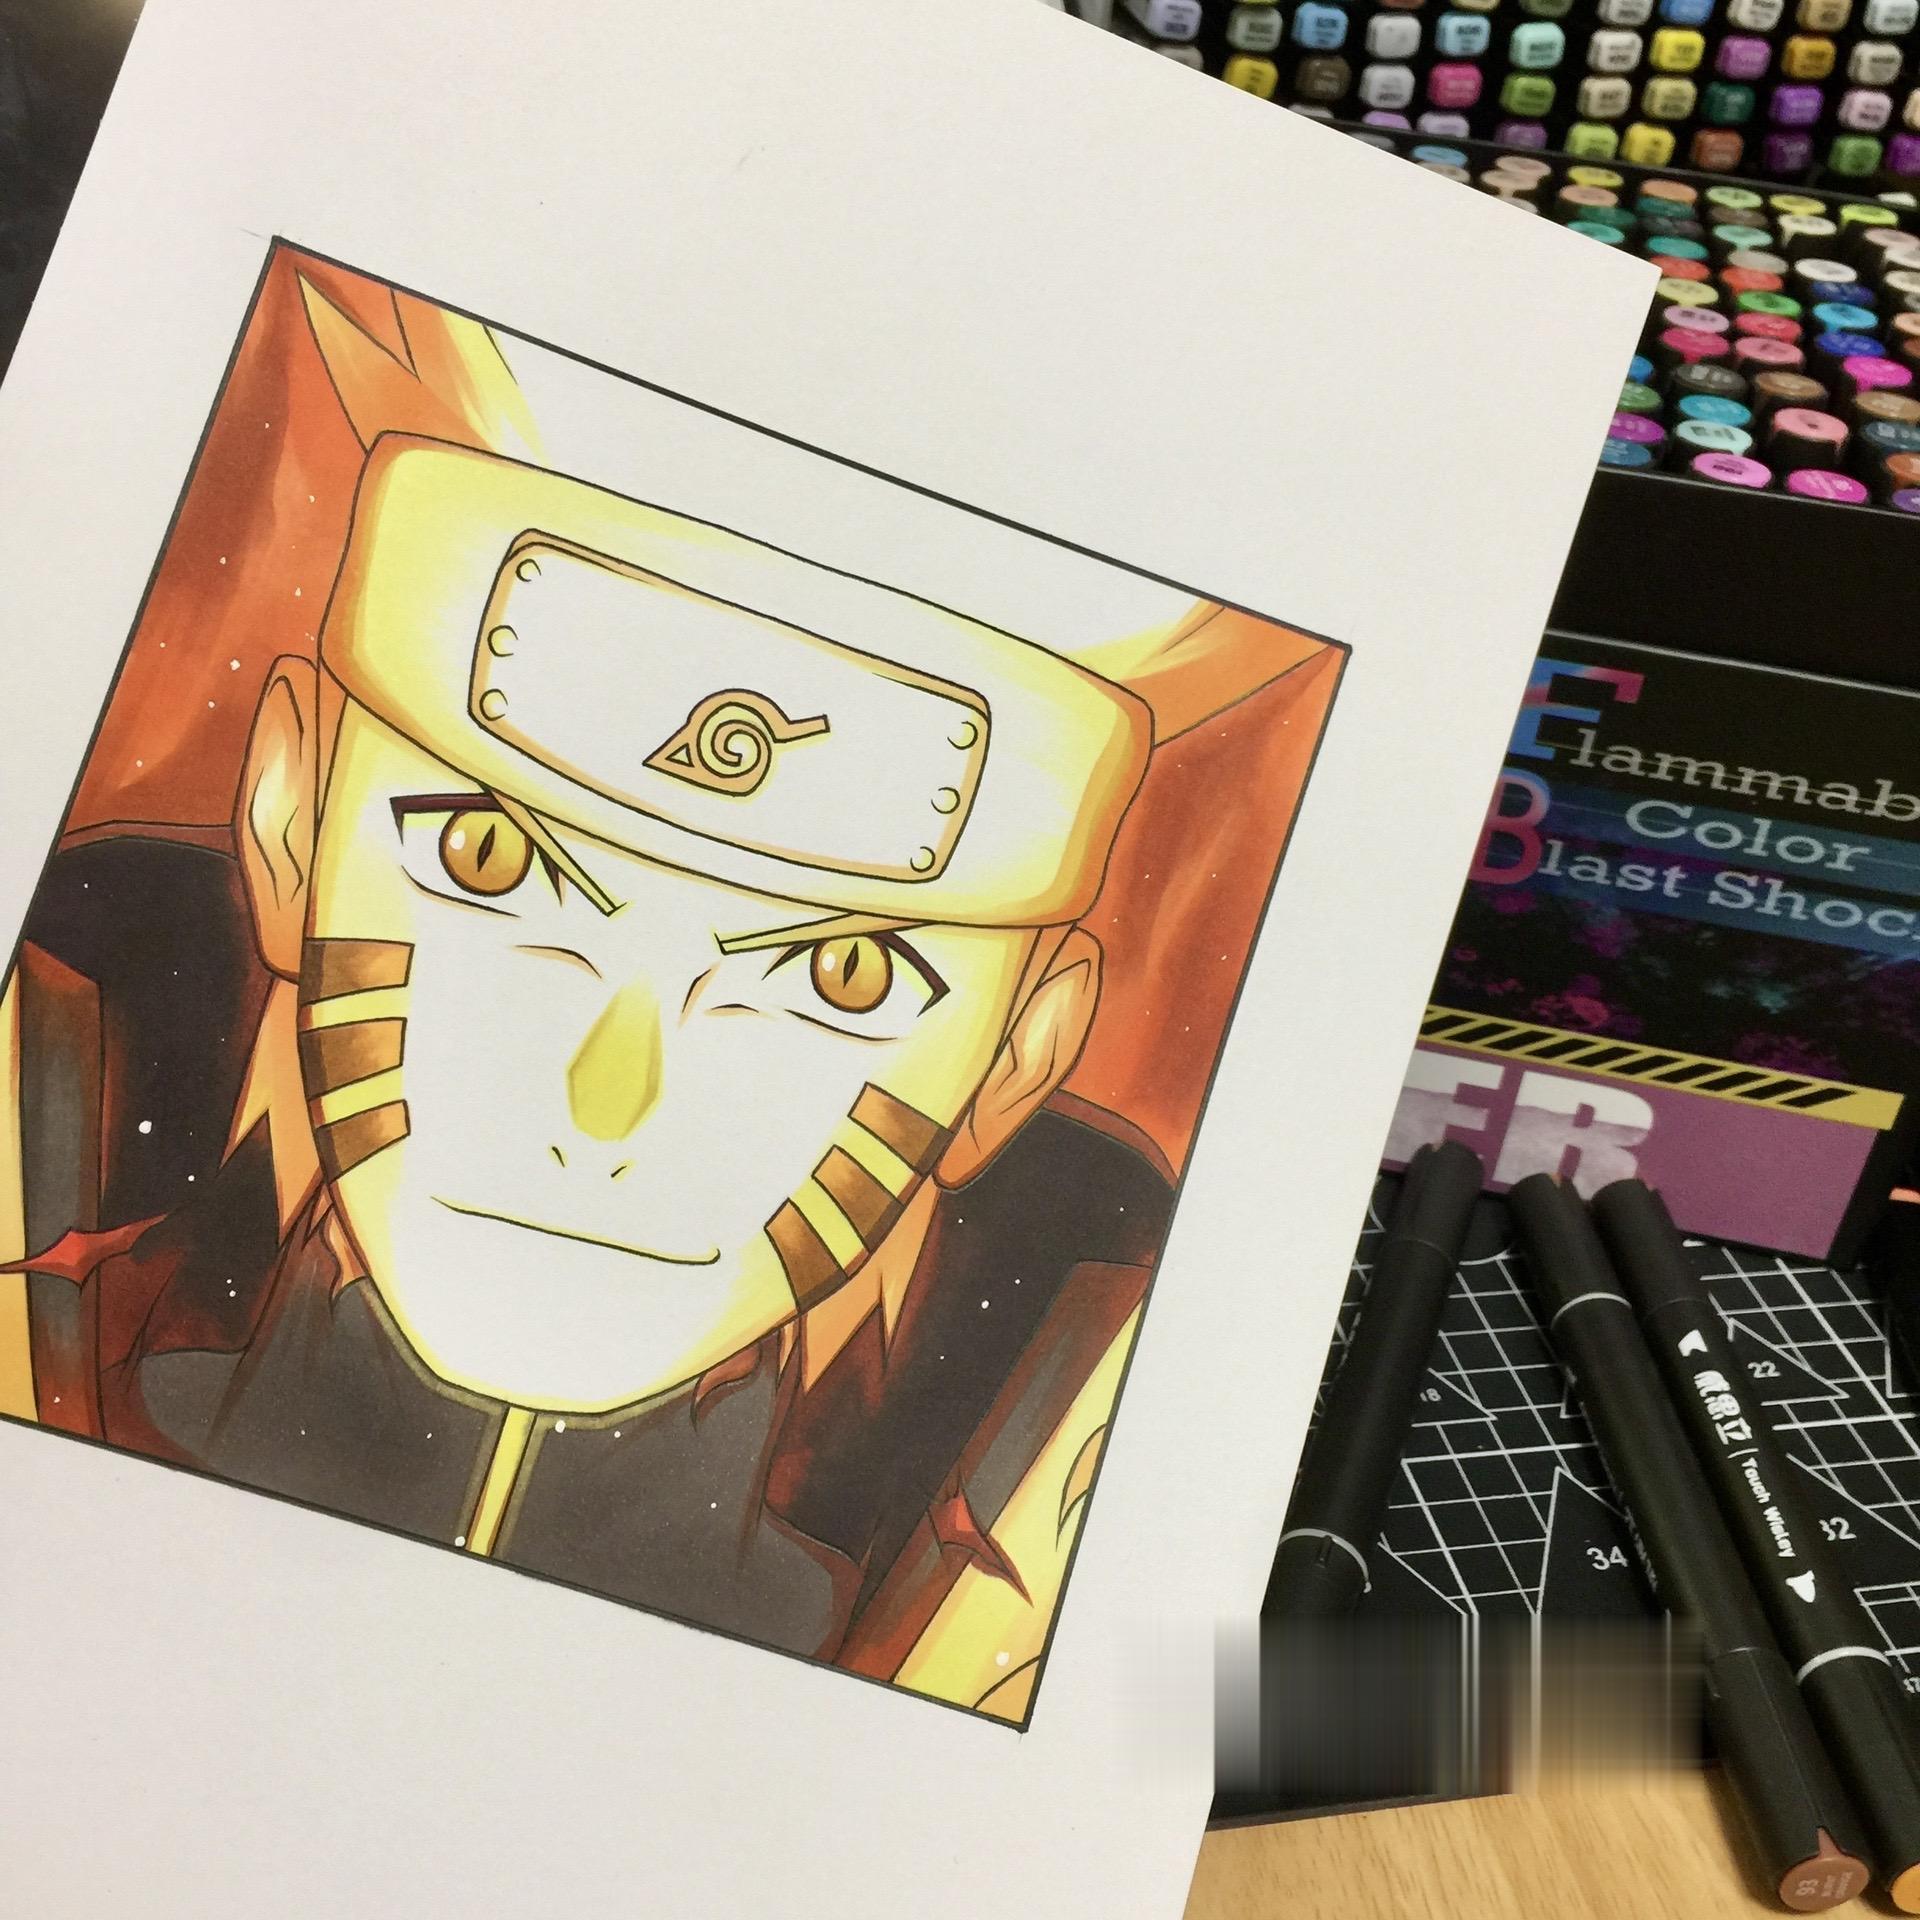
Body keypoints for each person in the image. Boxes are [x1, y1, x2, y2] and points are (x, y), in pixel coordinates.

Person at [1, 269, 1330, 1719]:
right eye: (489, 859)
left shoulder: (1030, 1569)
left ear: (1019, 1054)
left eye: (840, 974)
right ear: (287, 821)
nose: (607, 1105)